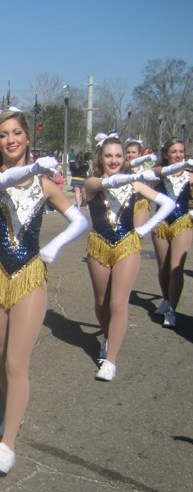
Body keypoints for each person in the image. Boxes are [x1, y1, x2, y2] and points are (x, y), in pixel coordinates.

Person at [0, 109, 88, 475]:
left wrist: (53, 248)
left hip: (29, 277)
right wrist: (35, 169)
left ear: (27, 137)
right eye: (3, 134)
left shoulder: (46, 185)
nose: (10, 139)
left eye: (17, 133)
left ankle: (8, 445)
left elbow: (80, 221)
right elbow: (6, 181)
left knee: (15, 362)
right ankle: (14, 412)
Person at [85, 134, 174, 381]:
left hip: (127, 246)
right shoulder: (92, 181)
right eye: (108, 156)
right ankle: (107, 336)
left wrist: (144, 229)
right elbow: (106, 185)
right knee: (102, 303)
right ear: (100, 158)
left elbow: (167, 204)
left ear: (124, 158)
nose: (113, 160)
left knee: (118, 302)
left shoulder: (135, 185)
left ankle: (110, 360)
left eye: (118, 156)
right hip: (99, 246)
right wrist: (135, 176)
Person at [149, 139, 193, 328]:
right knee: (163, 267)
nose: (178, 155)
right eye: (173, 151)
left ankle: (171, 309)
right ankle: (166, 298)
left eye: (181, 151)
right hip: (161, 224)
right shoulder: (159, 173)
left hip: (182, 223)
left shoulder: (190, 176)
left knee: (176, 268)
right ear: (166, 154)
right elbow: (157, 172)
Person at [125, 139, 156, 229]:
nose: (131, 155)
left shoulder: (146, 170)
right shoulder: (122, 170)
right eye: (128, 152)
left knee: (136, 234)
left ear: (139, 154)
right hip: (124, 204)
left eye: (133, 152)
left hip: (140, 203)